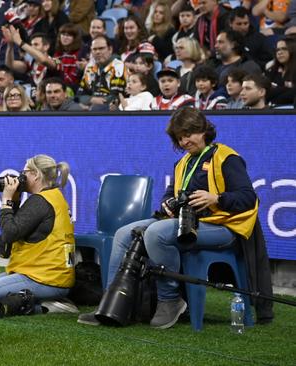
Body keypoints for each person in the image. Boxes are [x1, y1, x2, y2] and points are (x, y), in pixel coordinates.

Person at [79, 107, 260, 329]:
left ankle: (170, 299)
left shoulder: (226, 157)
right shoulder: (182, 163)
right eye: (180, 137)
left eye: (189, 133)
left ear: (203, 130)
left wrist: (216, 198)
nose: (184, 141)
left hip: (223, 226)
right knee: (123, 233)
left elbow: (248, 197)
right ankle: (111, 303)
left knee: (156, 233)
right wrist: (167, 203)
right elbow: (172, 193)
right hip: (186, 222)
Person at [0, 154, 75, 314]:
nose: (21, 177)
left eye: (24, 172)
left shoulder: (39, 202)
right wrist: (16, 201)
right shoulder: (54, 196)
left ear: (35, 175)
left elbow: (9, 234)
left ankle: (44, 308)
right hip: (53, 277)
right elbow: (14, 237)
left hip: (44, 279)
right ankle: (44, 300)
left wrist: (6, 201)